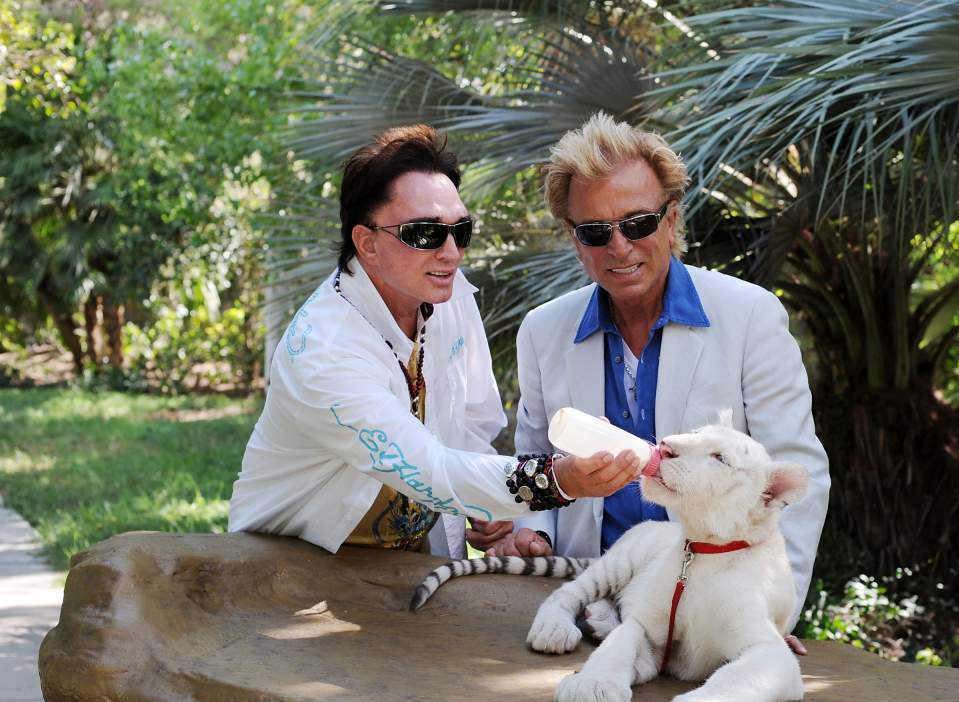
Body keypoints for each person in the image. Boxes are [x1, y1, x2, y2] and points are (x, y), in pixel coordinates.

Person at [229, 125, 639, 557]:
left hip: (411, 563)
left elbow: (472, 425)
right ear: (366, 242)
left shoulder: (448, 294)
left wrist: (489, 511)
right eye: (424, 233)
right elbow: (428, 469)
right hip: (288, 566)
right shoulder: (323, 351)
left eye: (459, 230)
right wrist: (557, 480)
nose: (451, 252)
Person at [496, 113, 831, 637]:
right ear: (572, 236)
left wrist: (769, 614)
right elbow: (534, 461)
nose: (619, 247)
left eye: (638, 223)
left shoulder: (751, 317)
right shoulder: (542, 331)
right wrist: (532, 531)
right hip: (582, 602)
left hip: (709, 612)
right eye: (595, 231)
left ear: (672, 218)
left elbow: (794, 479)